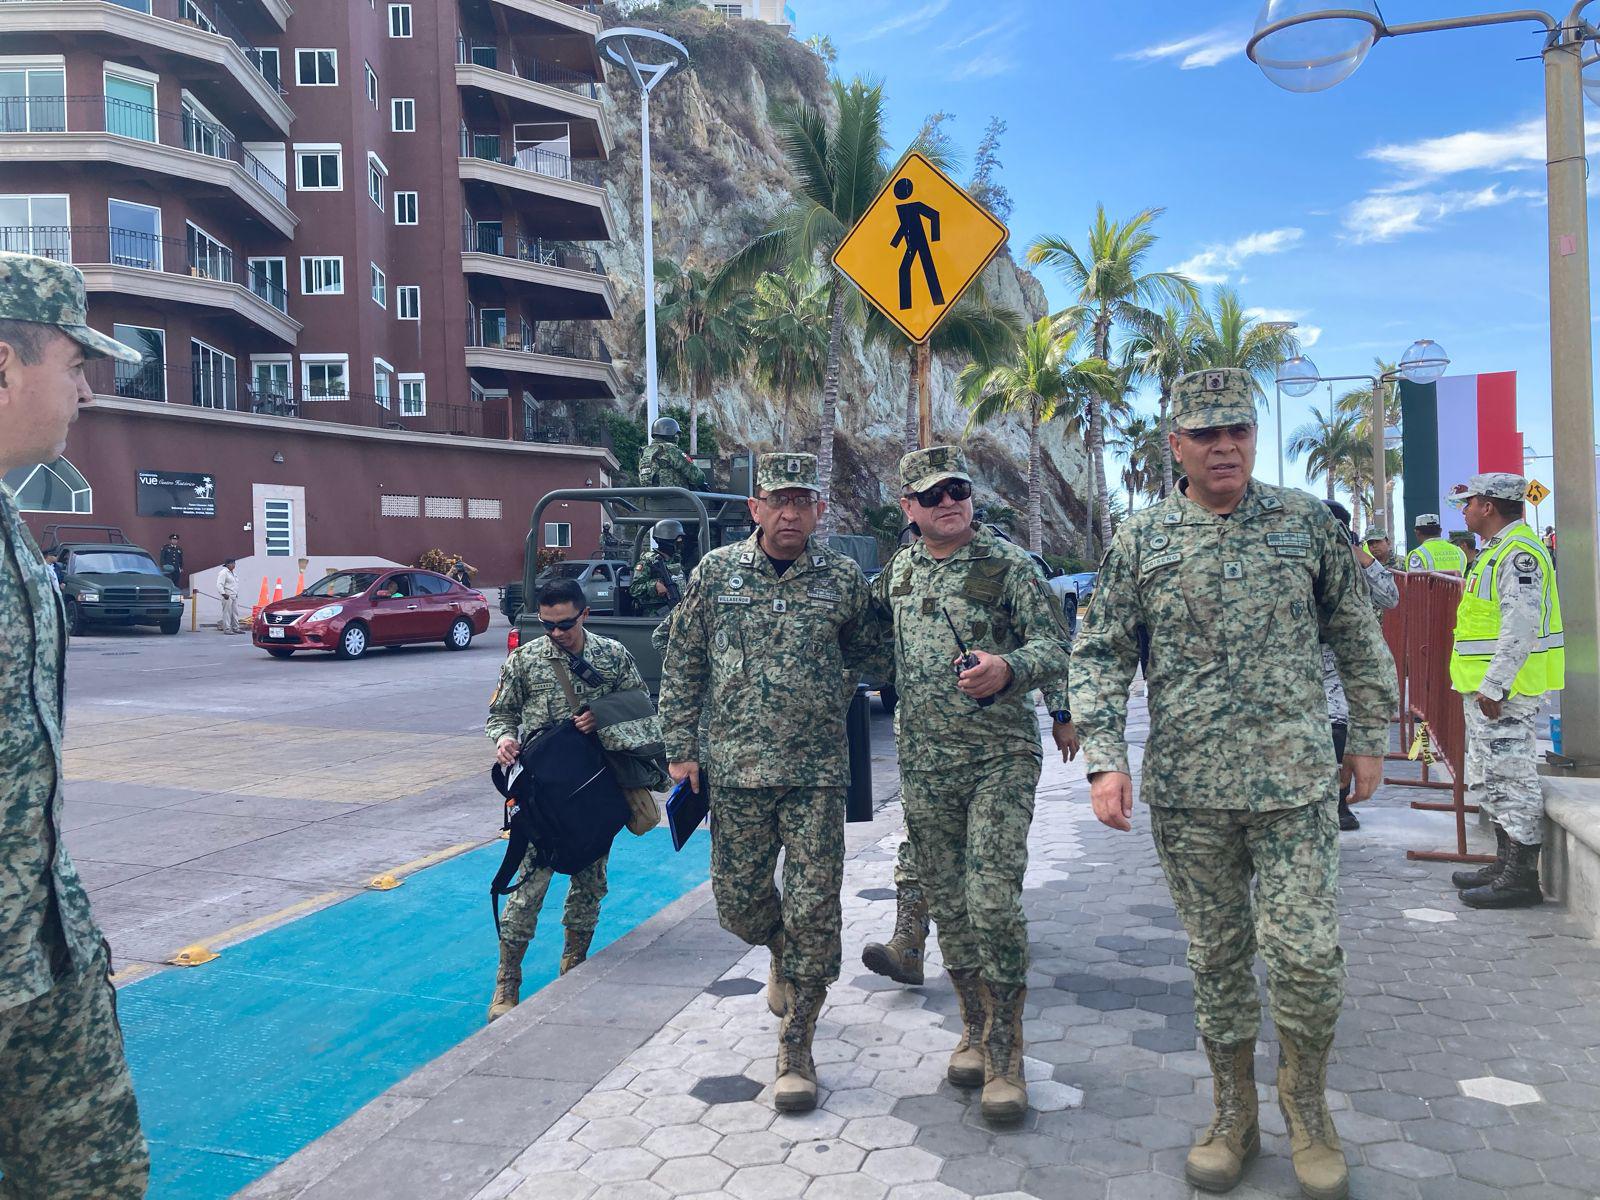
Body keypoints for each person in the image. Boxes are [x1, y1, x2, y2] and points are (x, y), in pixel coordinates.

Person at [1072, 368, 1396, 1199]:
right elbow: (1103, 649)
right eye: (1206, 435)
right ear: (1174, 445)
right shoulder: (1142, 539)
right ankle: (1231, 1114)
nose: (1226, 447)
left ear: (1253, 437)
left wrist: (1368, 737)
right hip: (1191, 790)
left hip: (1294, 784)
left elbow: (1356, 630)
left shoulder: (1303, 525)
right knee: (1216, 960)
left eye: (1238, 432)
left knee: (1308, 958)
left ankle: (1309, 1108)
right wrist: (1106, 755)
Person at [657, 453, 880, 1113]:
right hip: (737, 773)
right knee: (739, 907)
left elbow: (869, 651)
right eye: (777, 502)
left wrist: (832, 690)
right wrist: (680, 748)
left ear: (817, 510)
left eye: (802, 502)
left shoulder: (840, 578)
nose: (790, 515)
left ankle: (797, 1044)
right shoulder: (717, 573)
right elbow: (684, 662)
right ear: (755, 509)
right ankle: (781, 950)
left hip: (815, 775)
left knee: (815, 909)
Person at [0, 251, 149, 1198]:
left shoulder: (15, 531)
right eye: (73, 362)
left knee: (101, 1180)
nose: (86, 390)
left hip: (45, 961)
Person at [868, 445, 1074, 1124]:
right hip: (925, 762)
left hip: (999, 757)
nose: (949, 501)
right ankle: (973, 1027)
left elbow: (1055, 648)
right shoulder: (896, 574)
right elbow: (867, 646)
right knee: (951, 905)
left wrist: (1008, 668)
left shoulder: (1008, 564)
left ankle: (1009, 1050)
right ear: (909, 509)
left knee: (992, 901)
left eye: (957, 489)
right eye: (931, 495)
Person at [484, 577, 648, 1019]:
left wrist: (603, 715)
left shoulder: (611, 655)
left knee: (590, 882)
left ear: (584, 614)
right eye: (548, 624)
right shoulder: (525, 660)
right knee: (526, 888)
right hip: (540, 794)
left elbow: (641, 702)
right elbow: (501, 713)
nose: (556, 633)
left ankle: (574, 963)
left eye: (565, 624)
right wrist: (503, 739)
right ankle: (507, 982)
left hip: (592, 789)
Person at [1446, 473, 1564, 909]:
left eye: (1469, 502)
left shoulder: (1518, 554)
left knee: (1513, 776)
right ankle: (1504, 862)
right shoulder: (1498, 550)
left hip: (1505, 691)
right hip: (1489, 689)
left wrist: (1494, 685)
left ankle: (1520, 877)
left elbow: (1520, 625)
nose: (1465, 510)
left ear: (1489, 506)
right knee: (1492, 773)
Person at [1322, 502, 1399, 832]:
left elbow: (1390, 597)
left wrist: (1359, 555)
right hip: (1304, 658)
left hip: (1346, 659)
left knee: (1340, 729)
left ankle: (1339, 800)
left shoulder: (1357, 561)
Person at [628, 519, 687, 619]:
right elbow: (634, 589)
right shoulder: (648, 561)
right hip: (655, 615)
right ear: (666, 541)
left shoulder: (676, 559)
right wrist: (655, 585)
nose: (679, 543)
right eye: (676, 540)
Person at [637, 416, 707, 490]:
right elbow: (698, 477)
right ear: (672, 433)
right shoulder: (671, 450)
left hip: (649, 498)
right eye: (677, 434)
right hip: (674, 498)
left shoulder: (645, 451)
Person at [217, 557, 241, 634]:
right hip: (227, 595)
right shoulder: (223, 572)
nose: (234, 565)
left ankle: (235, 628)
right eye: (232, 563)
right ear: (227, 565)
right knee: (227, 613)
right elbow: (219, 584)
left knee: (235, 612)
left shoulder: (234, 573)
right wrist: (223, 594)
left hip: (234, 595)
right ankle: (227, 629)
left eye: (234, 563)